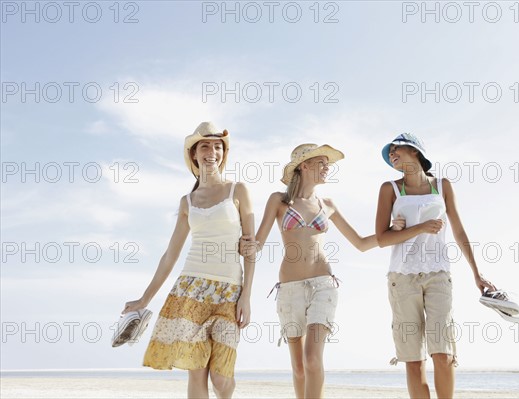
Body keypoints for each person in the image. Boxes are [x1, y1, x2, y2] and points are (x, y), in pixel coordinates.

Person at [122, 121, 255, 399]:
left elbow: (250, 249)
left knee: (221, 379)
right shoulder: (188, 201)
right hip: (191, 289)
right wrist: (145, 299)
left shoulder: (238, 191)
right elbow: (170, 255)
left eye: (217, 146)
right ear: (193, 154)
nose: (212, 151)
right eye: (205, 146)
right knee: (196, 370)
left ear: (223, 153)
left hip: (229, 292)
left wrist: (247, 296)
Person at [242, 143, 378, 398]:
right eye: (322, 163)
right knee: (299, 367)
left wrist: (398, 230)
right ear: (304, 165)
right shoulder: (279, 200)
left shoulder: (328, 203)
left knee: (313, 360)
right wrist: (243, 244)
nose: (327, 168)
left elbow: (360, 243)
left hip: (323, 285)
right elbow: (257, 244)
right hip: (290, 289)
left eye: (328, 164)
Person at [375, 132, 497, 399]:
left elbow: (459, 231)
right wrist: (419, 228)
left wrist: (477, 273)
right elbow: (383, 239)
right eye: (390, 153)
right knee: (414, 358)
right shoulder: (390, 189)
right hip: (402, 278)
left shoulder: (442, 185)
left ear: (416, 151)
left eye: (397, 149)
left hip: (439, 274)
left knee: (443, 352)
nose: (392, 155)